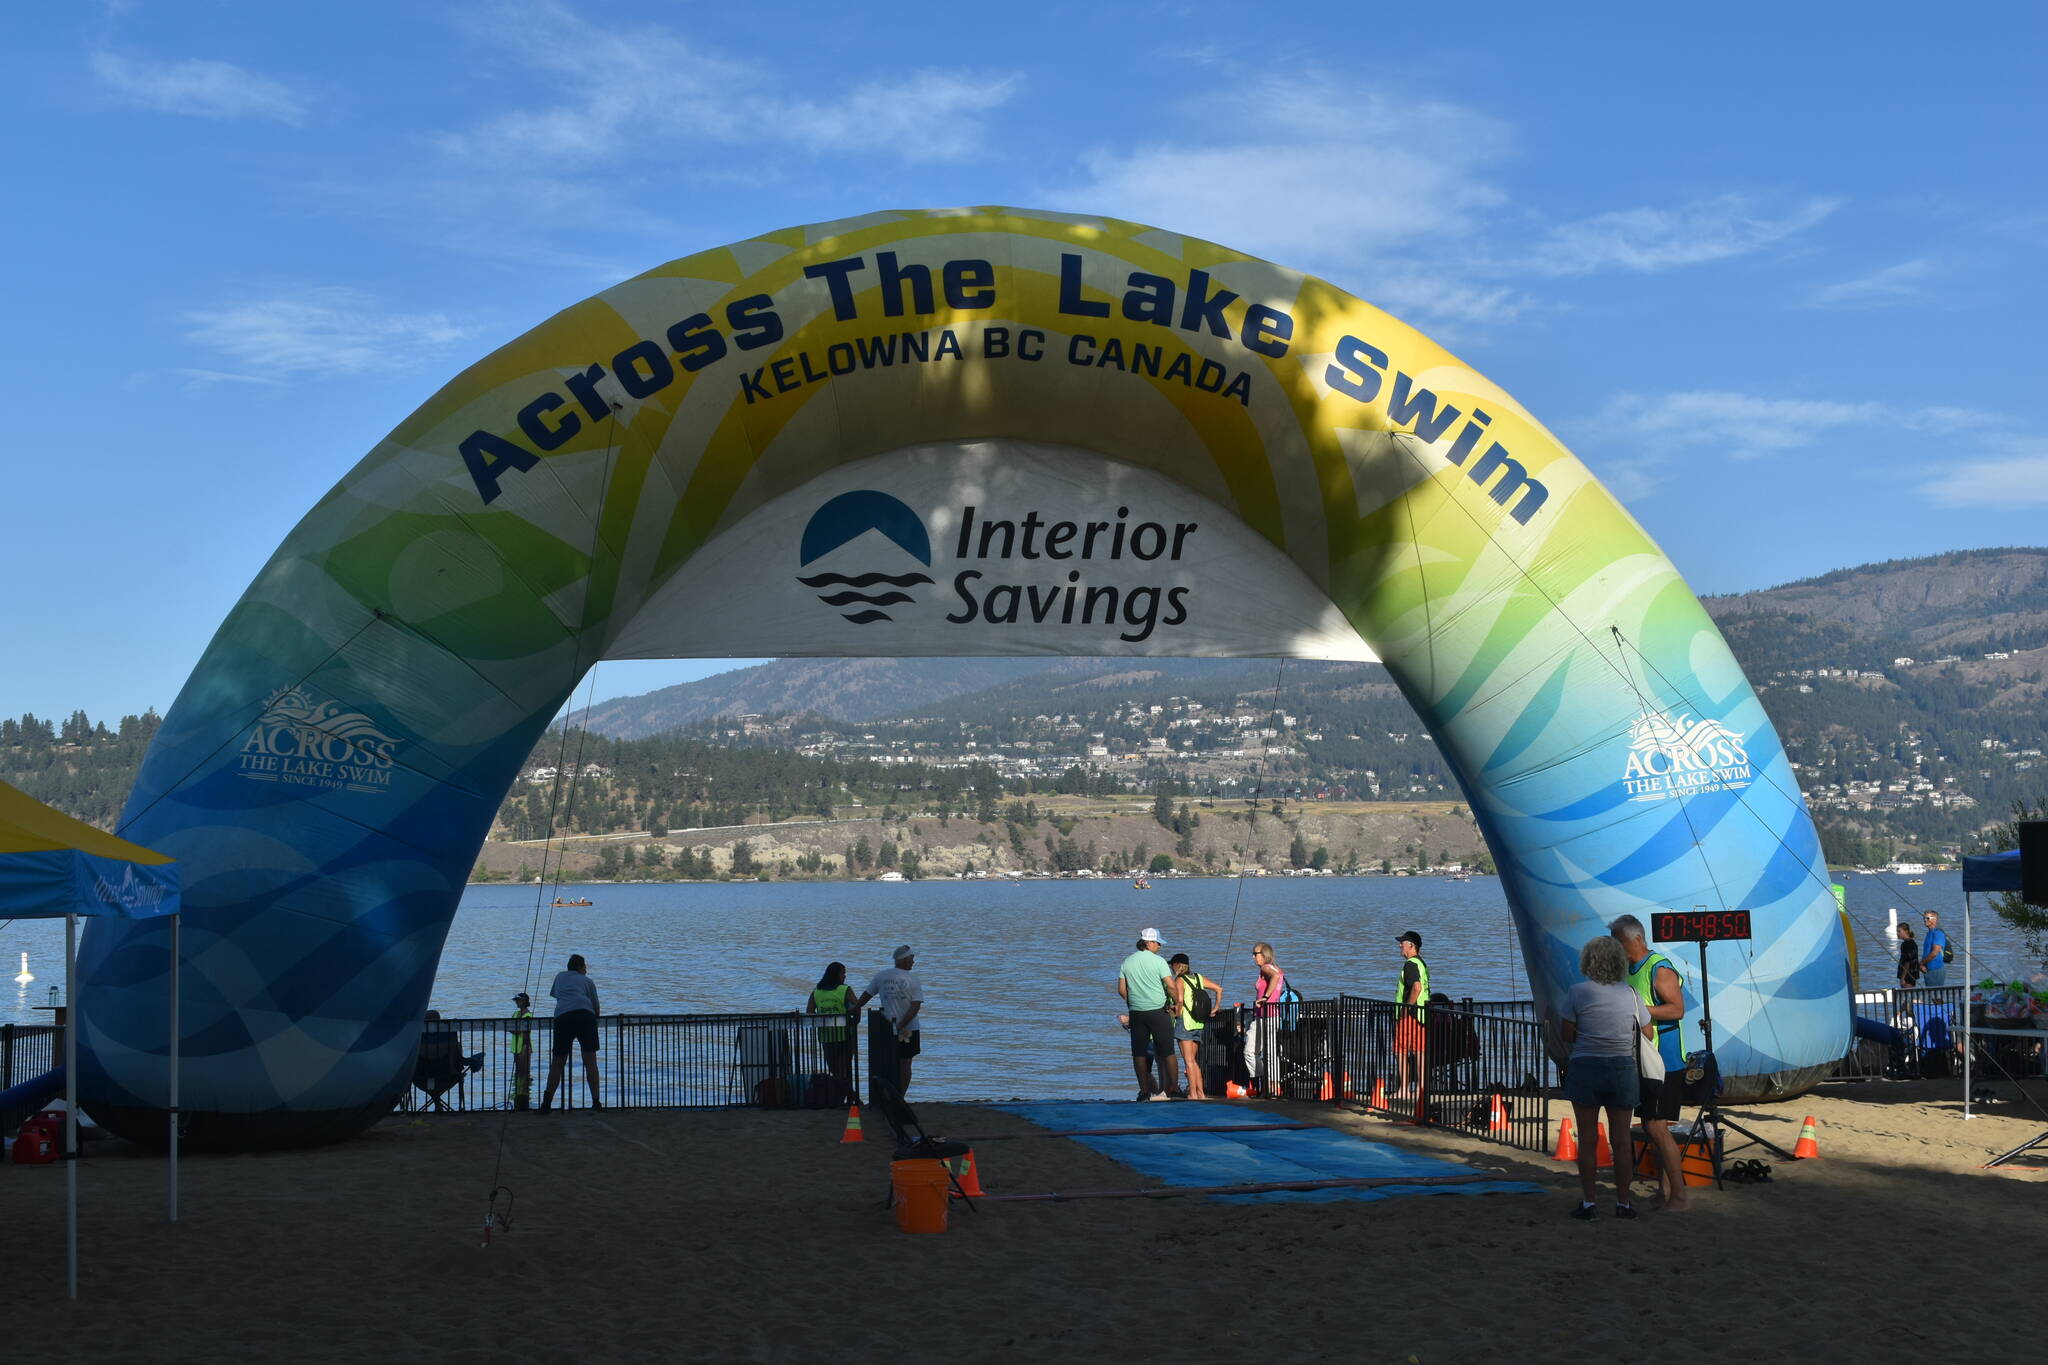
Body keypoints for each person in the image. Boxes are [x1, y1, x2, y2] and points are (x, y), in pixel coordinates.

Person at [1560, 935, 1652, 1220]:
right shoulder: (1631, 994)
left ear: (1588, 961)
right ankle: (1624, 1203)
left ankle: (1589, 1204)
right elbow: (1647, 1033)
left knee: (1588, 1139)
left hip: (1586, 1065)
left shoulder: (1577, 992)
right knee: (1621, 1139)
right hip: (1622, 1068)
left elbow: (1568, 1035)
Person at [1610, 914, 1691, 1212]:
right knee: (1649, 1126)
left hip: (1664, 1062)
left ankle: (1680, 1197)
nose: (1616, 948)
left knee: (1658, 1127)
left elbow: (1677, 1010)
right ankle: (1663, 1190)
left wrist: (1640, 1011)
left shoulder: (1660, 968)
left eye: (1619, 942)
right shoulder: (1627, 970)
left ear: (1637, 939)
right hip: (1641, 1060)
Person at [1119, 929, 1183, 1100]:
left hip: (1137, 1012)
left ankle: (1144, 1091)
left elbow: (1121, 990)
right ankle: (1174, 1089)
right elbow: (1170, 985)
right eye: (1158, 943)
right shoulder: (1159, 962)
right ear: (1149, 943)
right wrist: (1177, 1003)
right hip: (1158, 1011)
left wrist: (1131, 1002)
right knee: (1168, 1051)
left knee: (1139, 1053)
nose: (1160, 946)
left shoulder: (1127, 962)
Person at [854, 946, 924, 1095]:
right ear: (905, 959)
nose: (913, 962)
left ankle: (888, 1094)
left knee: (888, 1061)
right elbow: (915, 1006)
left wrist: (854, 1009)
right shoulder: (913, 979)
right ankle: (900, 1096)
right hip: (907, 1029)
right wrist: (902, 1025)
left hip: (886, 1028)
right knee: (905, 1063)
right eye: (912, 958)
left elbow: (867, 995)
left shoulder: (881, 976)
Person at [538, 953, 601, 1113]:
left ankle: (546, 1104)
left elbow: (557, 995)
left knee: (558, 1061)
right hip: (585, 1016)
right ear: (580, 967)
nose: (586, 970)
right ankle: (596, 1102)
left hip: (563, 1017)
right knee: (590, 1061)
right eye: (585, 967)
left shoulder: (559, 977)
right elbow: (596, 1009)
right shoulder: (588, 981)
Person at [1169, 952, 1219, 1099]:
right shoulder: (1198, 977)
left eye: (1172, 965)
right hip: (1198, 1023)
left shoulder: (1179, 980)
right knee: (1194, 1061)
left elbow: (1180, 1003)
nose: (1172, 968)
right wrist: (1216, 1007)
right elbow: (1219, 989)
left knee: (1188, 1061)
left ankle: (1192, 1093)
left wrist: (1172, 1010)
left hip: (1185, 1023)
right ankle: (1200, 1093)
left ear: (1177, 965)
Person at [807, 961, 857, 1104]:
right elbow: (857, 1006)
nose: (845, 976)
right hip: (844, 1036)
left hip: (826, 1037)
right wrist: (854, 1021)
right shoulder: (845, 990)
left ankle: (846, 1099)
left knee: (836, 1071)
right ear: (836, 975)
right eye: (843, 973)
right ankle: (850, 1098)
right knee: (844, 1071)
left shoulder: (816, 992)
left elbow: (809, 1013)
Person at [1241, 941, 1286, 1095]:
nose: (1253, 957)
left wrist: (1265, 997)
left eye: (1256, 954)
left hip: (1266, 1016)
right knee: (1270, 1053)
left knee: (1251, 1051)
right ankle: (1270, 1085)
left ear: (1264, 954)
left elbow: (1273, 977)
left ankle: (1264, 1084)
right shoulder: (1276, 968)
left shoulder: (1267, 968)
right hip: (1270, 1016)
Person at [1391, 931, 1430, 1101]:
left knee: (1401, 1051)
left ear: (1412, 946)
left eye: (1403, 942)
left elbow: (1416, 987)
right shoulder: (1422, 963)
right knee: (1420, 1052)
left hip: (1410, 1016)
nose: (1400, 945)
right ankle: (1422, 1089)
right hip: (1422, 1015)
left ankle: (1404, 1089)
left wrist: (1406, 1008)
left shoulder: (1410, 965)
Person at [509, 991, 535, 1110]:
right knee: (518, 1072)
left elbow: (521, 1031)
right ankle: (519, 1093)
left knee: (524, 1072)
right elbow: (509, 1026)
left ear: (524, 1002)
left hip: (524, 1047)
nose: (517, 1003)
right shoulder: (516, 1013)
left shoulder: (528, 1015)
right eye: (516, 1001)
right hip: (515, 1047)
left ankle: (524, 1095)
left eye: (519, 1001)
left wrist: (514, 1028)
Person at [1920, 910, 1951, 988]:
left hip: (1936, 969)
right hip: (1927, 969)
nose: (1924, 920)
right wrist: (1922, 965)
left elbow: (1934, 953)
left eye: (1927, 918)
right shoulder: (1928, 933)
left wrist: (1921, 963)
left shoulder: (1938, 933)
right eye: (1923, 918)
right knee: (1931, 996)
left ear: (1934, 919)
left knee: (1936, 995)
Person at [1895, 922, 1922, 989]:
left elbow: (1907, 962)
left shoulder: (1906, 944)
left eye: (1899, 931)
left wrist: (1902, 978)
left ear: (1906, 931)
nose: (1897, 933)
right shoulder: (1912, 942)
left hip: (1908, 976)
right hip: (1913, 974)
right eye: (1897, 931)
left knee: (1907, 996)